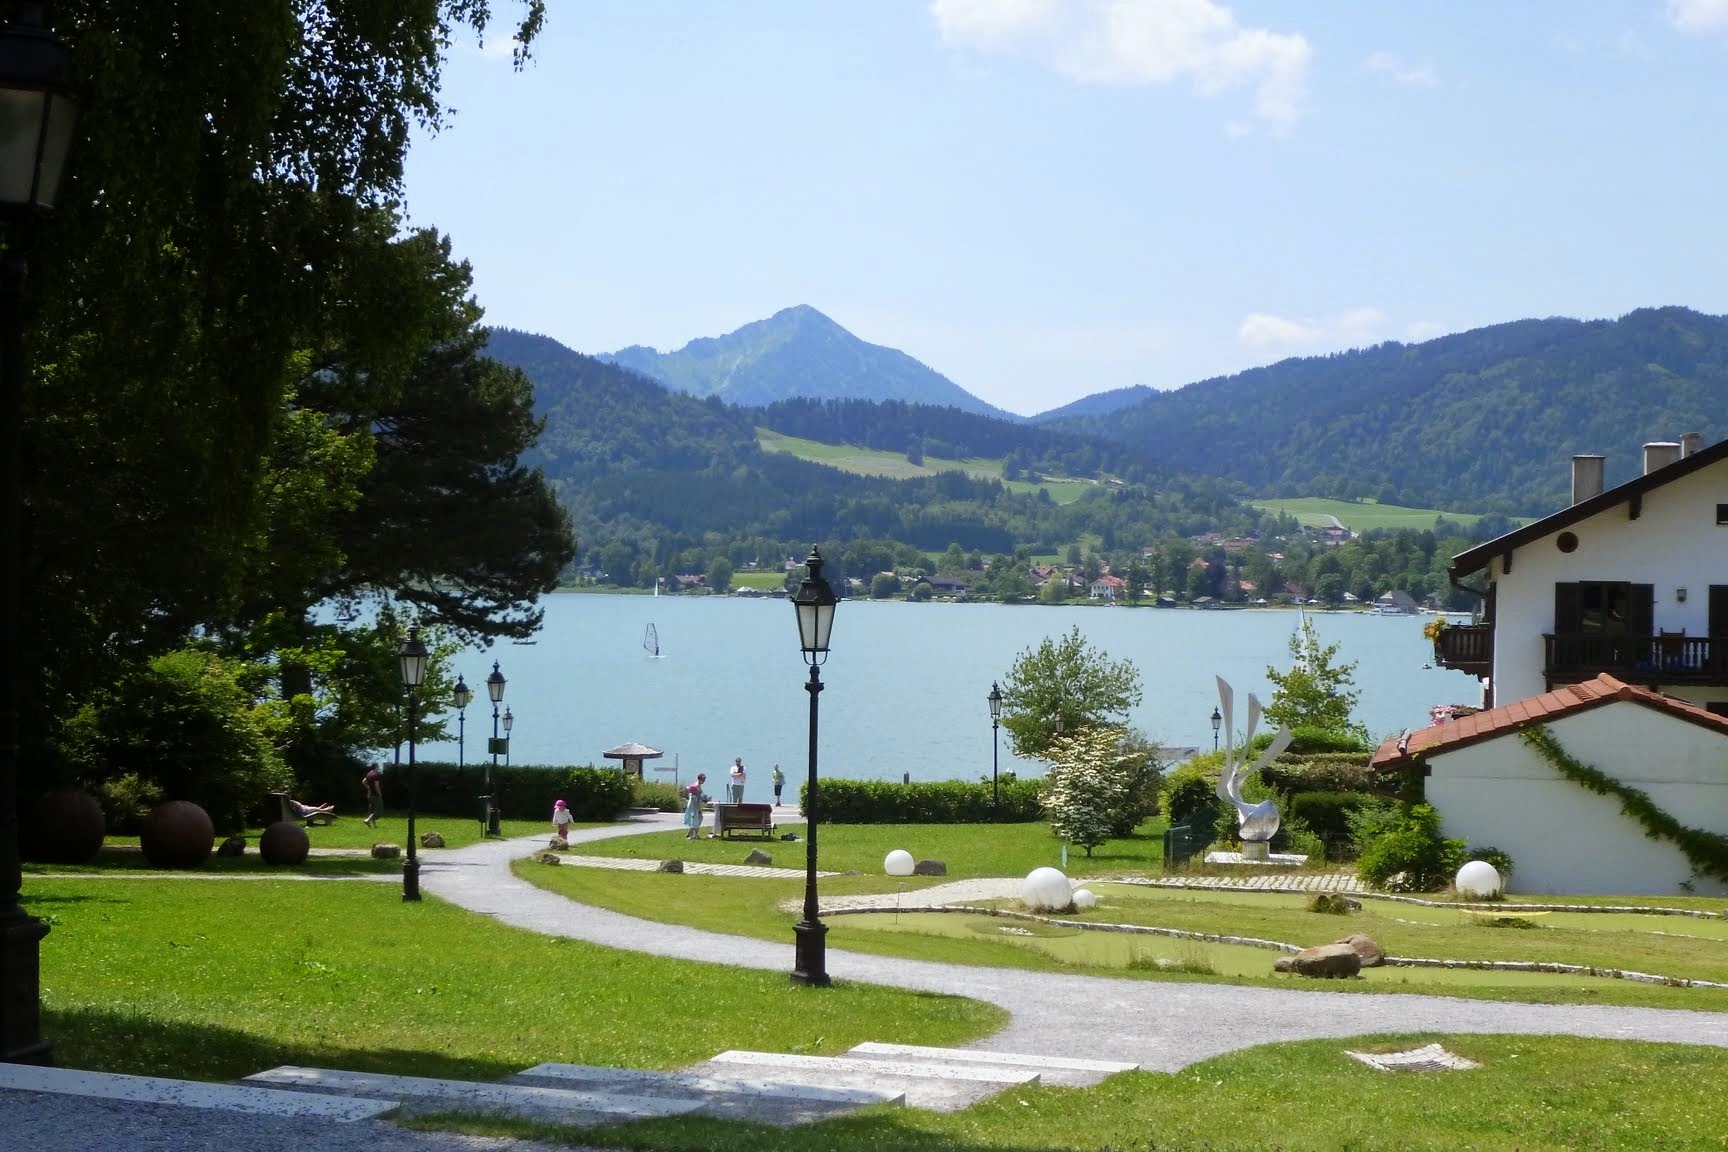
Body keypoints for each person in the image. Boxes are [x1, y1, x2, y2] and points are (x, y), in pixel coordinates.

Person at [682, 774, 709, 839]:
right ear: (699, 779)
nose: (704, 781)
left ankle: (691, 833)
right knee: (696, 819)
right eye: (703, 779)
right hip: (695, 805)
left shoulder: (698, 785)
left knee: (697, 819)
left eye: (704, 779)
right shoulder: (696, 786)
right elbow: (695, 797)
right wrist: (698, 807)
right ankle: (694, 834)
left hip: (696, 804)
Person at [361, 763, 383, 827]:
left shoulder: (369, 774)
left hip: (370, 794)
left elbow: (363, 782)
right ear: (376, 767)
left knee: (372, 810)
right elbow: (376, 786)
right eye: (378, 766)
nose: (378, 768)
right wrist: (379, 794)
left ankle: (374, 825)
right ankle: (367, 820)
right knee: (378, 811)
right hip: (375, 795)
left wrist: (368, 788)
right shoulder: (375, 775)